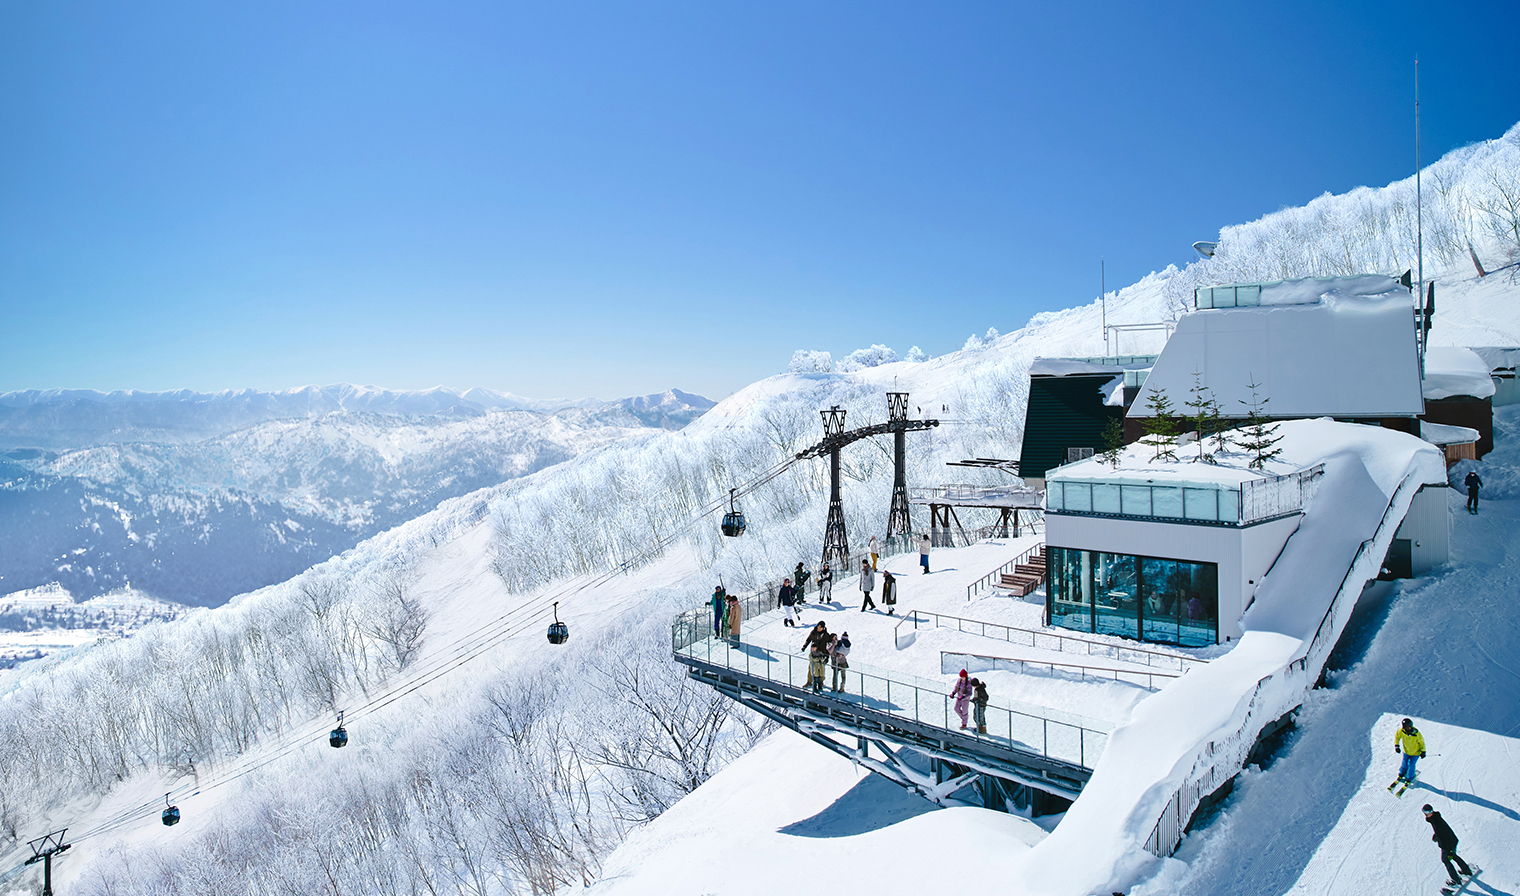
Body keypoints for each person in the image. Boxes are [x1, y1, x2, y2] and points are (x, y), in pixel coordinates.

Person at [1422, 805, 1474, 886]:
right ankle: (1466, 871)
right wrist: (1437, 836)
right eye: (1424, 812)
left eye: (1427, 812)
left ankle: (1456, 880)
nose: (1425, 814)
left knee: (1446, 860)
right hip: (1451, 842)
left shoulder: (1436, 821)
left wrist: (1448, 849)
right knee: (1453, 856)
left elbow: (1445, 834)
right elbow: (1443, 831)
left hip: (1448, 844)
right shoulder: (1435, 818)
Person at [801, 622, 832, 692]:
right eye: (818, 627)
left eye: (820, 628)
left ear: (823, 628)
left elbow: (828, 645)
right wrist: (804, 646)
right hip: (814, 652)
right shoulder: (814, 632)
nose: (818, 629)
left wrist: (827, 656)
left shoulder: (826, 635)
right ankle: (809, 681)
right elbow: (808, 639)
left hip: (822, 654)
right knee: (811, 667)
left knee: (821, 668)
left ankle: (821, 681)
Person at [1396, 717, 1426, 783]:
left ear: (1410, 726)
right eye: (1405, 727)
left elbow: (1422, 742)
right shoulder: (1401, 731)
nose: (1406, 729)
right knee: (1404, 763)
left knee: (1411, 764)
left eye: (1407, 727)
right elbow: (1397, 737)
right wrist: (1397, 746)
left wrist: (1423, 751)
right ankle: (1402, 772)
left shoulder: (1416, 734)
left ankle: (1410, 777)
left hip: (1415, 753)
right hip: (1406, 751)